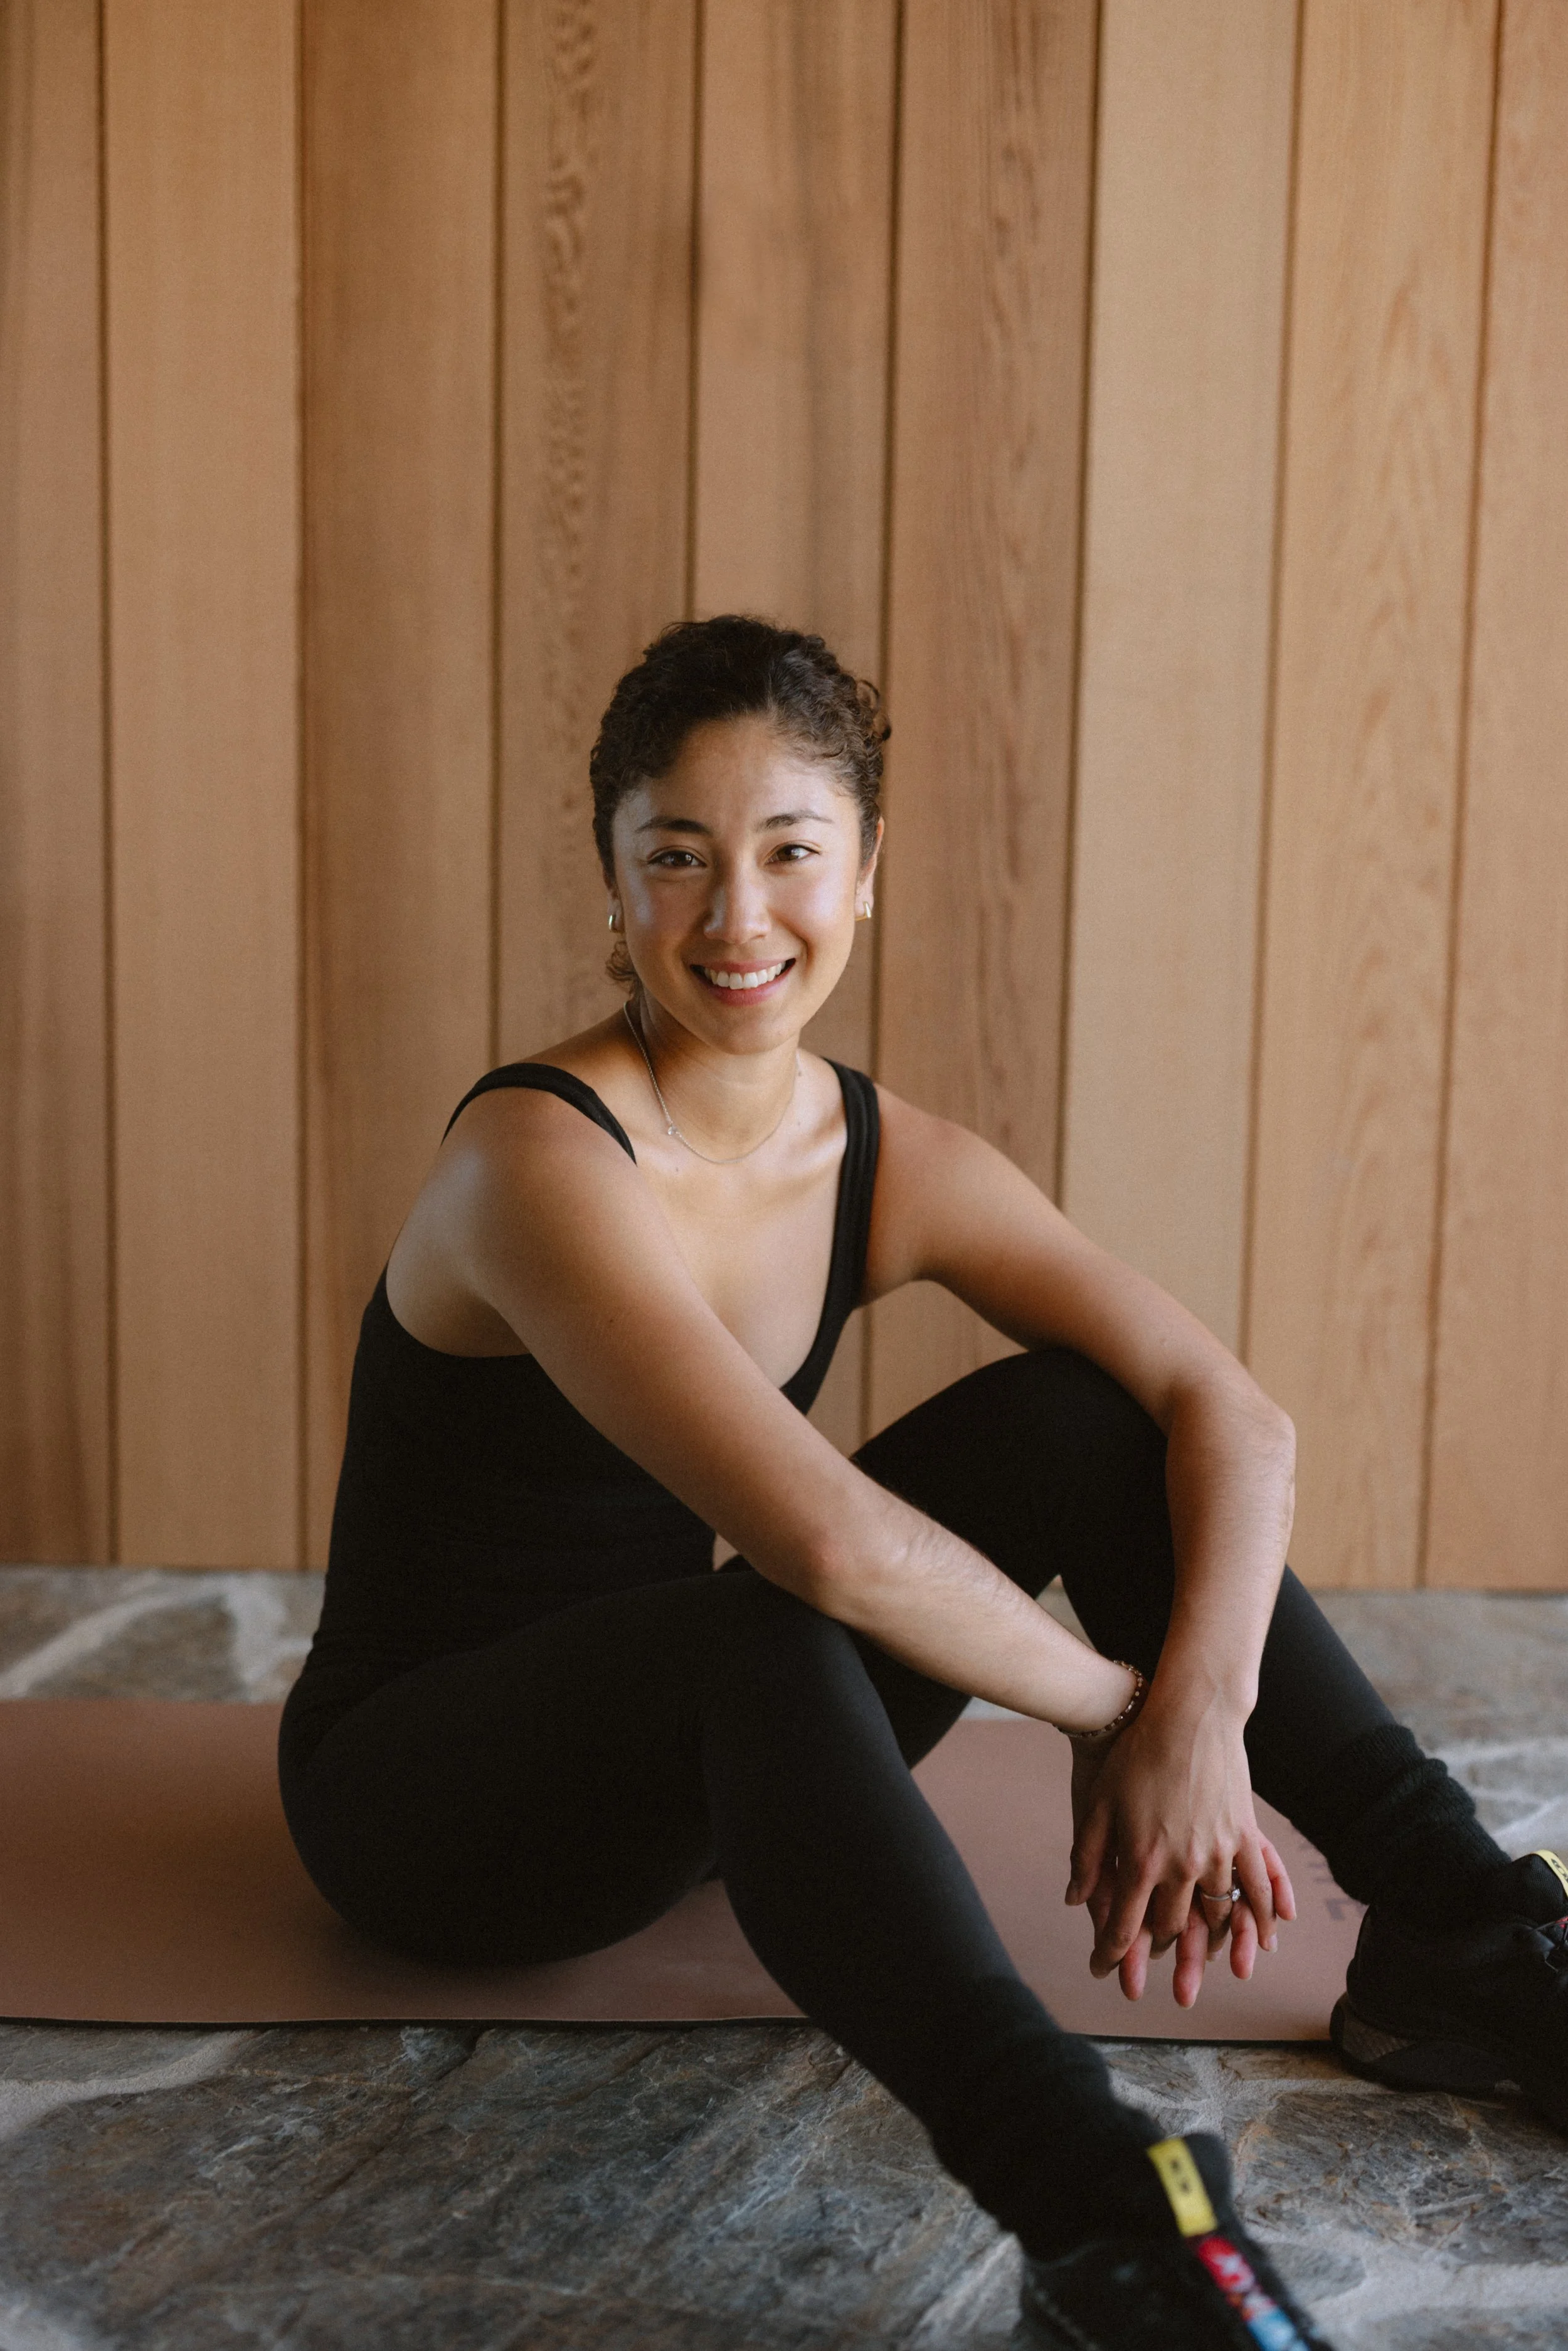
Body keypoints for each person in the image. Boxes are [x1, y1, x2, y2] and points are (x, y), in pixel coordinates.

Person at [279, 617, 1567, 2351]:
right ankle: (1104, 2210)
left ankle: (1464, 1940)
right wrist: (1118, 1711)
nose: (738, 920)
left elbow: (1229, 1413)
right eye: (677, 857)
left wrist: (1202, 1711)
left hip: (714, 1760)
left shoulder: (878, 1155)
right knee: (772, 1615)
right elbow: (820, 1531)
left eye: (790, 853)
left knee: (1082, 1416)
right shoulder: (534, 1161)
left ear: (865, 874)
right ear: (610, 880)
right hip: (439, 1809)